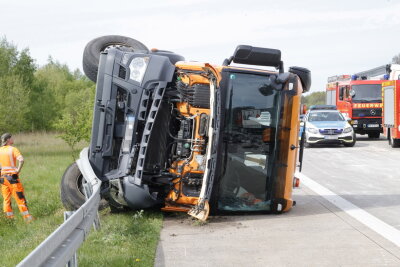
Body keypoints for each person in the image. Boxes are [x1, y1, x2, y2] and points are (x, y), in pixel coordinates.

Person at [0, 133, 33, 222]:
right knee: (20, 198)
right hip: (13, 178)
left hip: (3, 179)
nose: (13, 139)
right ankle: (28, 219)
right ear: (8, 140)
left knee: (6, 199)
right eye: (11, 138)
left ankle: (9, 219)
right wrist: (18, 170)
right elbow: (21, 160)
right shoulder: (13, 149)